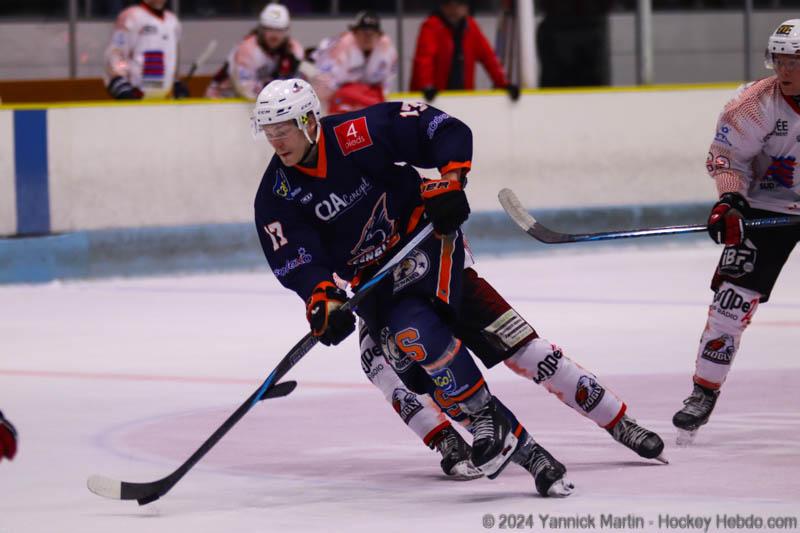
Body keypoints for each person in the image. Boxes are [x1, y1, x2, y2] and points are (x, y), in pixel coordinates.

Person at [253, 78, 571, 497]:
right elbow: (297, 257)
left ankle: (487, 421)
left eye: (285, 127)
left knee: (416, 331)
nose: (277, 140)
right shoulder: (276, 195)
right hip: (374, 280)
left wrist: (451, 180)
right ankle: (528, 452)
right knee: (409, 361)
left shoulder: (355, 134)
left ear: (310, 120)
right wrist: (321, 298)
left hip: (423, 241)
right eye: (270, 131)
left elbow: (441, 128)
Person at [358, 263, 667, 481]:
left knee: (533, 353)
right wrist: (324, 301)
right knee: (386, 368)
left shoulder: (387, 175)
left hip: (444, 279)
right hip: (386, 306)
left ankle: (617, 421)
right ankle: (456, 442)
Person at [672, 19, 800, 446]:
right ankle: (703, 391)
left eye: (795, 61)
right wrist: (731, 201)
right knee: (730, 300)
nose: (785, 70)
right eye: (780, 59)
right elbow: (728, 159)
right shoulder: (753, 105)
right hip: (768, 208)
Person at [410, 0, 518, 103]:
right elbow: (424, 59)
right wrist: (427, 86)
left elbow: (489, 58)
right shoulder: (432, 26)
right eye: (451, 4)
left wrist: (504, 84)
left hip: (462, 98)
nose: (455, 9)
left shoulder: (471, 27)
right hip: (433, 97)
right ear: (444, 6)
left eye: (459, 5)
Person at [205, 3, 308, 100]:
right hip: (223, 98)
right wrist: (278, 88)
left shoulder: (294, 50)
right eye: (269, 29)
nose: (274, 35)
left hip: (263, 101)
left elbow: (299, 86)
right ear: (261, 29)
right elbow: (245, 89)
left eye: (279, 30)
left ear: (287, 31)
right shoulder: (247, 49)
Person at [311, 11, 397, 114]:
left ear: (379, 35)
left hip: (369, 98)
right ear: (355, 32)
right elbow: (324, 83)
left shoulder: (387, 49)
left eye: (372, 33)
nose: (367, 37)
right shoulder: (339, 47)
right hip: (337, 99)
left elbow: (386, 83)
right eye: (363, 32)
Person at [104, 0, 188, 100]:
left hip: (165, 99)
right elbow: (117, 54)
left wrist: (176, 82)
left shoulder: (173, 21)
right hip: (137, 97)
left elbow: (171, 60)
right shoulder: (131, 16)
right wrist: (119, 81)